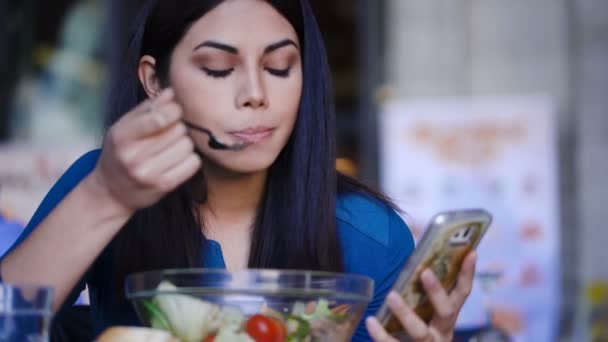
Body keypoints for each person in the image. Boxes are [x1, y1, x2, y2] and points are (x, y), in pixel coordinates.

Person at [0, 0, 477, 341]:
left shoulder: (369, 233)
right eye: (217, 67)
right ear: (154, 79)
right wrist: (105, 196)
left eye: (280, 66)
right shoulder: (102, 182)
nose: (255, 94)